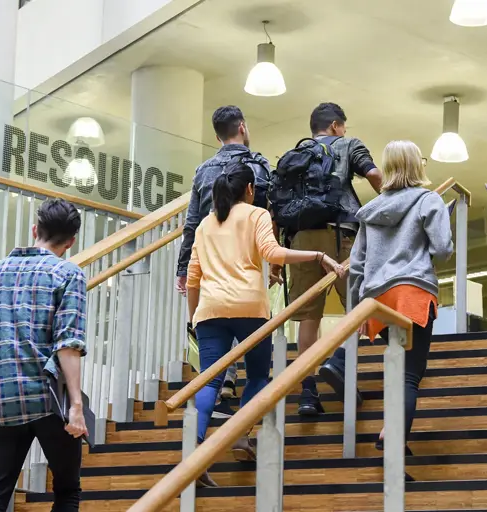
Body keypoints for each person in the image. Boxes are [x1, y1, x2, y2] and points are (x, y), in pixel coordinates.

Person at [187, 160, 345, 486]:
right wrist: (318, 256)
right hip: (249, 309)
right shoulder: (257, 214)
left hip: (210, 312)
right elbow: (272, 253)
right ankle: (241, 435)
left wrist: (193, 319)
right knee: (258, 376)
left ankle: (196, 451)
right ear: (249, 189)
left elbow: (192, 279)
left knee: (210, 381)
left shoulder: (205, 224)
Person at [347, 140, 452, 480]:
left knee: (395, 372)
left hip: (378, 298)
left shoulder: (371, 209)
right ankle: (392, 442)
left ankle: (390, 431)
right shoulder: (428, 200)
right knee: (409, 375)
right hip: (412, 292)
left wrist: (358, 309)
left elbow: (357, 264)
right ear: (416, 165)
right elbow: (443, 248)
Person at [0, 198, 89, 512]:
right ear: (70, 242)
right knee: (67, 492)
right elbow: (68, 344)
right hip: (48, 398)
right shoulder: (68, 274)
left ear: (35, 229)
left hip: (3, 397)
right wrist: (76, 406)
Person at [282, 102, 382, 416]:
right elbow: (374, 174)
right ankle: (339, 364)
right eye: (344, 127)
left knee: (308, 318)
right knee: (356, 309)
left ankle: (308, 392)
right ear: (336, 125)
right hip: (342, 235)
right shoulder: (348, 145)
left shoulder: (295, 155)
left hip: (301, 239)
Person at [175, 106, 276, 410]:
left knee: (215, 321)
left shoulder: (204, 170)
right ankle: (240, 390)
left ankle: (225, 380)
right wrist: (277, 263)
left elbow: (191, 222)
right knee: (249, 323)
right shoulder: (258, 166)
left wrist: (184, 268)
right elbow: (271, 213)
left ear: (217, 135)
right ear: (242, 127)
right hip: (248, 259)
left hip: (208, 258)